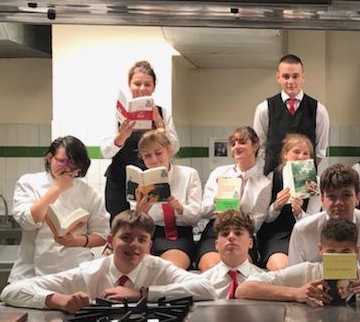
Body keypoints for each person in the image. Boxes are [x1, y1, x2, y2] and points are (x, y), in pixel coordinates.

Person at [1, 211, 214, 311]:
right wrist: (56, 299)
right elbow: (11, 291)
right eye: (126, 238)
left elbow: (206, 288)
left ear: (149, 245)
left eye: (142, 240)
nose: (134, 245)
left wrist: (142, 293)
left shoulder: (159, 268)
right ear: (111, 241)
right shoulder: (89, 273)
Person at [237, 219, 360, 305]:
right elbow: (244, 289)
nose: (338, 257)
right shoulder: (306, 273)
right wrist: (295, 293)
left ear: (356, 252)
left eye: (345, 252)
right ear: (320, 251)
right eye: (331, 252)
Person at [9, 136, 109, 283]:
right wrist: (56, 188)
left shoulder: (89, 193)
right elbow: (28, 222)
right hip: (31, 274)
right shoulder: (29, 183)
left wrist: (74, 241)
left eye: (74, 164)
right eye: (62, 161)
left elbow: (102, 235)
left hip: (76, 270)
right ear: (50, 158)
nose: (68, 168)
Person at [100, 61, 179, 222]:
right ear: (129, 85)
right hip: (119, 178)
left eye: (147, 84)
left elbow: (175, 148)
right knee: (120, 224)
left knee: (149, 223)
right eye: (137, 84)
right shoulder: (118, 113)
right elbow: (105, 152)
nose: (142, 89)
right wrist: (121, 136)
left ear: (154, 86)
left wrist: (159, 123)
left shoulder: (162, 112)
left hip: (152, 177)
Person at [196, 127, 271, 271]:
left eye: (242, 142)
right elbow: (204, 211)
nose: (236, 147)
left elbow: (256, 224)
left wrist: (236, 211)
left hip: (243, 232)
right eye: (233, 144)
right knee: (212, 268)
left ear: (255, 146)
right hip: (216, 230)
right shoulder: (219, 173)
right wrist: (216, 200)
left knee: (238, 268)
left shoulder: (264, 183)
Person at [287, 163, 360, 265]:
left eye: (346, 195)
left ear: (357, 198)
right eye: (332, 196)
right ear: (322, 199)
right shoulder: (303, 231)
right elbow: (294, 274)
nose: (339, 202)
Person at [132, 129, 202, 269]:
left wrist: (180, 208)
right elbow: (134, 223)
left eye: (158, 153)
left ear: (169, 151)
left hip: (179, 235)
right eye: (147, 155)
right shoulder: (140, 180)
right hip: (147, 234)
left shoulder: (188, 174)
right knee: (136, 268)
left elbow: (196, 217)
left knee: (167, 270)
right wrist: (140, 212)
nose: (154, 160)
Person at [253, 54, 330, 175]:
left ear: (303, 77)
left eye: (295, 76)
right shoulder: (264, 109)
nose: (290, 81)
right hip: (272, 178)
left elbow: (320, 151)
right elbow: (260, 148)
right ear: (278, 77)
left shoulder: (319, 110)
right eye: (286, 76)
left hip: (305, 179)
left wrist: (301, 174)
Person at [257, 134, 322, 271]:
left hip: (306, 236)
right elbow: (265, 218)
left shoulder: (315, 182)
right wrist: (276, 206)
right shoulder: (273, 177)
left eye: (306, 153)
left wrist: (299, 213)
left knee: (311, 268)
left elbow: (313, 219)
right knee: (282, 267)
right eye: (296, 152)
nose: (301, 157)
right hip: (278, 235)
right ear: (285, 154)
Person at [201, 211, 266, 299]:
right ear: (216, 244)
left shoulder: (264, 280)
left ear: (250, 243)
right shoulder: (203, 282)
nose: (231, 237)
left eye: (238, 233)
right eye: (225, 234)